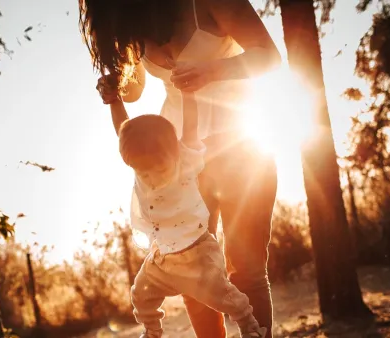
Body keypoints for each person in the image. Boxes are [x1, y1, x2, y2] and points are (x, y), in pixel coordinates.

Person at [79, 0, 281, 337]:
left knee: (247, 271)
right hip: (179, 159)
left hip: (241, 147)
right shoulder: (137, 22)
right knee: (190, 273)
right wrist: (114, 87)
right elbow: (136, 88)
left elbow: (269, 56)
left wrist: (211, 70)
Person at [98, 74, 268, 338]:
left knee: (225, 297)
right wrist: (114, 101)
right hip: (162, 259)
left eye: (159, 169)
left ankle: (249, 325)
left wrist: (188, 95)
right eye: (145, 173)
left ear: (175, 154)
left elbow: (190, 128)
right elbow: (124, 129)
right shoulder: (140, 163)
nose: (153, 177)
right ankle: (152, 331)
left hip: (197, 255)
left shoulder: (186, 161)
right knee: (140, 296)